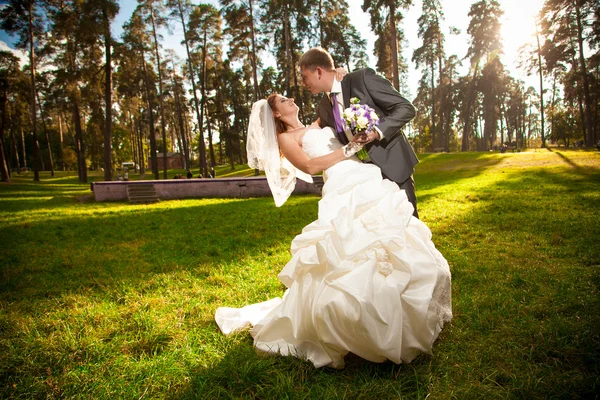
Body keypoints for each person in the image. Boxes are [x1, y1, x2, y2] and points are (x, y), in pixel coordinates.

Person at [214, 94, 452, 369]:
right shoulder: (286, 139)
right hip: (340, 185)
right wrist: (351, 148)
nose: (291, 98)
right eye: (283, 100)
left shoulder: (320, 120)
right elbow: (310, 166)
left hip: (365, 176)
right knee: (348, 247)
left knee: (393, 233)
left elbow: (341, 113)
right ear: (276, 114)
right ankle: (359, 324)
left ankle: (407, 313)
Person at [299, 47, 420, 218]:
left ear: (318, 71)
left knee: (409, 225)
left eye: (305, 77)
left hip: (392, 164)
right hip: (365, 178)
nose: (303, 83)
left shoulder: (361, 79)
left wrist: (377, 132)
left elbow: (406, 108)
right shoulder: (324, 108)